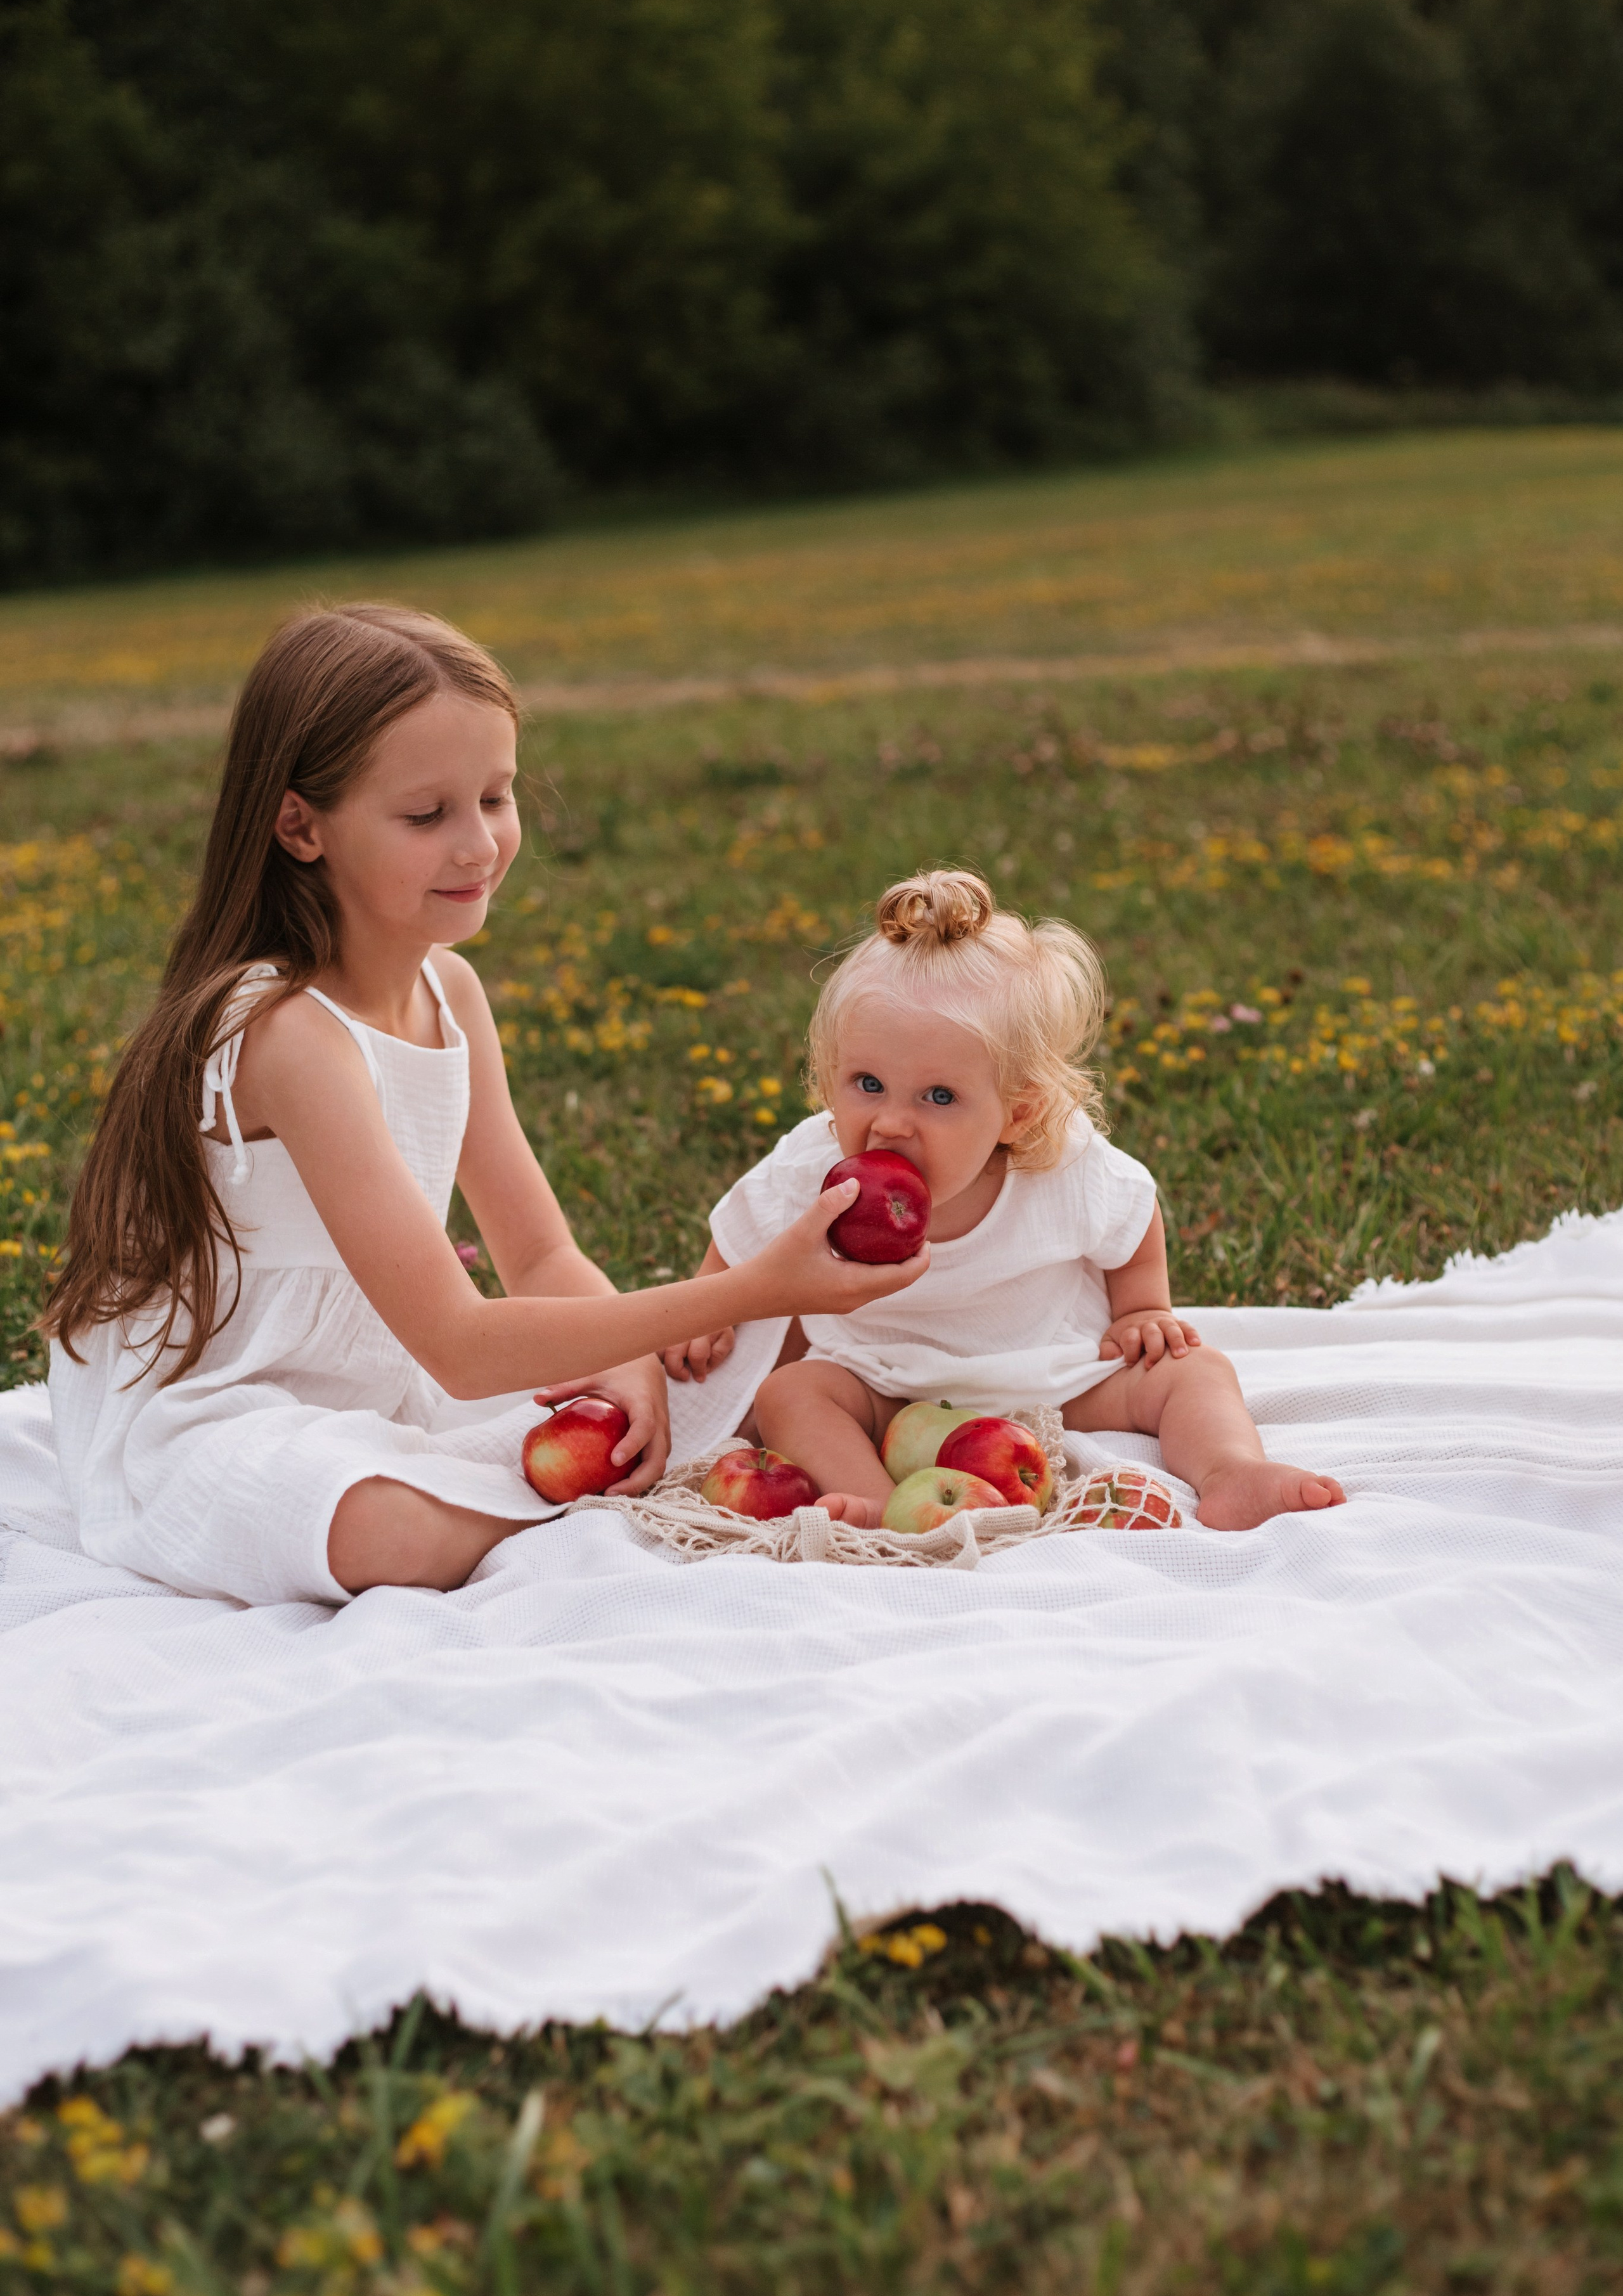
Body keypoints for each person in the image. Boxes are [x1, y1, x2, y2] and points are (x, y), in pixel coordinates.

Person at [43, 604, 924, 1603]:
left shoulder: (449, 994)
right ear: (301, 826)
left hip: (386, 1388)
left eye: (497, 798)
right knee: (394, 1537)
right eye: (427, 816)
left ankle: (549, 1484)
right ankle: (537, 1500)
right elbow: (463, 1348)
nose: (479, 846)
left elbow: (541, 1259)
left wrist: (634, 1360)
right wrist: (757, 1287)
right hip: (222, 1416)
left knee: (691, 1383)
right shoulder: (287, 1035)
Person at [664, 868, 1347, 1530]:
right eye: (867, 1084)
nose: (892, 1122)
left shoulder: (1060, 1166)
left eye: (938, 1097)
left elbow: (1133, 1217)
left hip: (1054, 1383)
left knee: (1193, 1370)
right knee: (792, 1393)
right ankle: (876, 1504)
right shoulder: (817, 1164)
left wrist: (1142, 1308)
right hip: (883, 1386)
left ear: (1017, 1115)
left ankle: (1230, 1472)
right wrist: (707, 1301)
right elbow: (742, 1226)